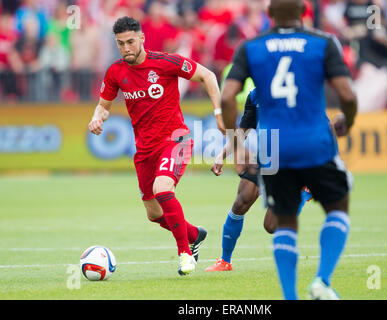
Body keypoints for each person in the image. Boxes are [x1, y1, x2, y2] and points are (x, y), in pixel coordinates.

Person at [221, 0, 358, 300]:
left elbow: (228, 96)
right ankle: (322, 279)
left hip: (275, 150)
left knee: (282, 223)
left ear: (269, 14)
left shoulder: (251, 47)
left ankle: (290, 297)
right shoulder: (323, 43)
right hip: (314, 143)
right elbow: (347, 93)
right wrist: (347, 121)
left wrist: (235, 142)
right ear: (304, 13)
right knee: (338, 205)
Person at [88, 16, 225, 276]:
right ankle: (195, 234)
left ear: (141, 38)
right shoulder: (116, 71)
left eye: (130, 42)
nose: (126, 48)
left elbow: (207, 75)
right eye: (120, 44)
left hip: (176, 139)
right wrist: (97, 118)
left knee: (162, 188)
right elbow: (104, 106)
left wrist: (218, 112)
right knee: (153, 213)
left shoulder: (165, 62)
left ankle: (185, 253)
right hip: (144, 150)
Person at [206, 88, 312, 272]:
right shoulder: (255, 96)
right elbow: (242, 132)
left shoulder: (296, 90)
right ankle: (225, 261)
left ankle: (303, 193)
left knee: (270, 226)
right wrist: (221, 155)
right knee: (241, 201)